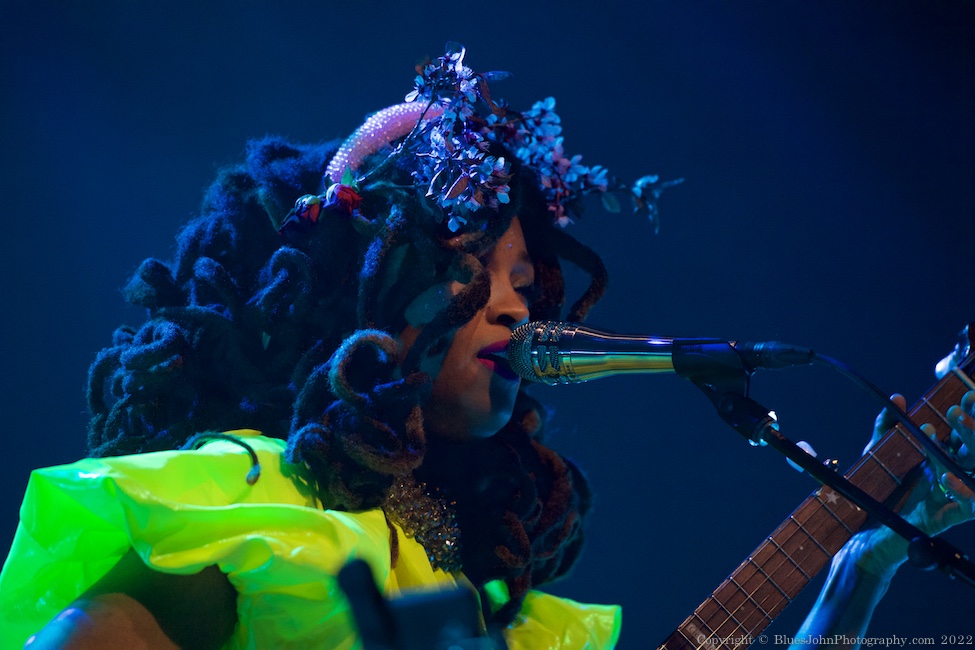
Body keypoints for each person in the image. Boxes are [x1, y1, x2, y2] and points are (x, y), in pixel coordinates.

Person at [0, 45, 972, 650]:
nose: (514, 306)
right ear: (363, 287)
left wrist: (860, 568)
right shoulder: (258, 502)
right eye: (475, 268)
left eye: (527, 281)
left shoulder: (477, 582)